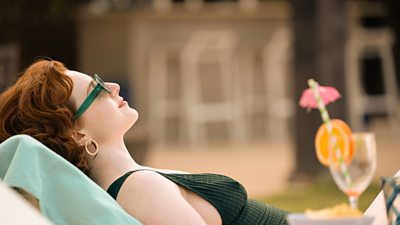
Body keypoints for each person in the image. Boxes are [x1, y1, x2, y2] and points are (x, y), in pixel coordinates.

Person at [0, 58, 289, 225]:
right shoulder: (139, 188)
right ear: (77, 134)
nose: (113, 87)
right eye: (97, 88)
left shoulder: (133, 183)